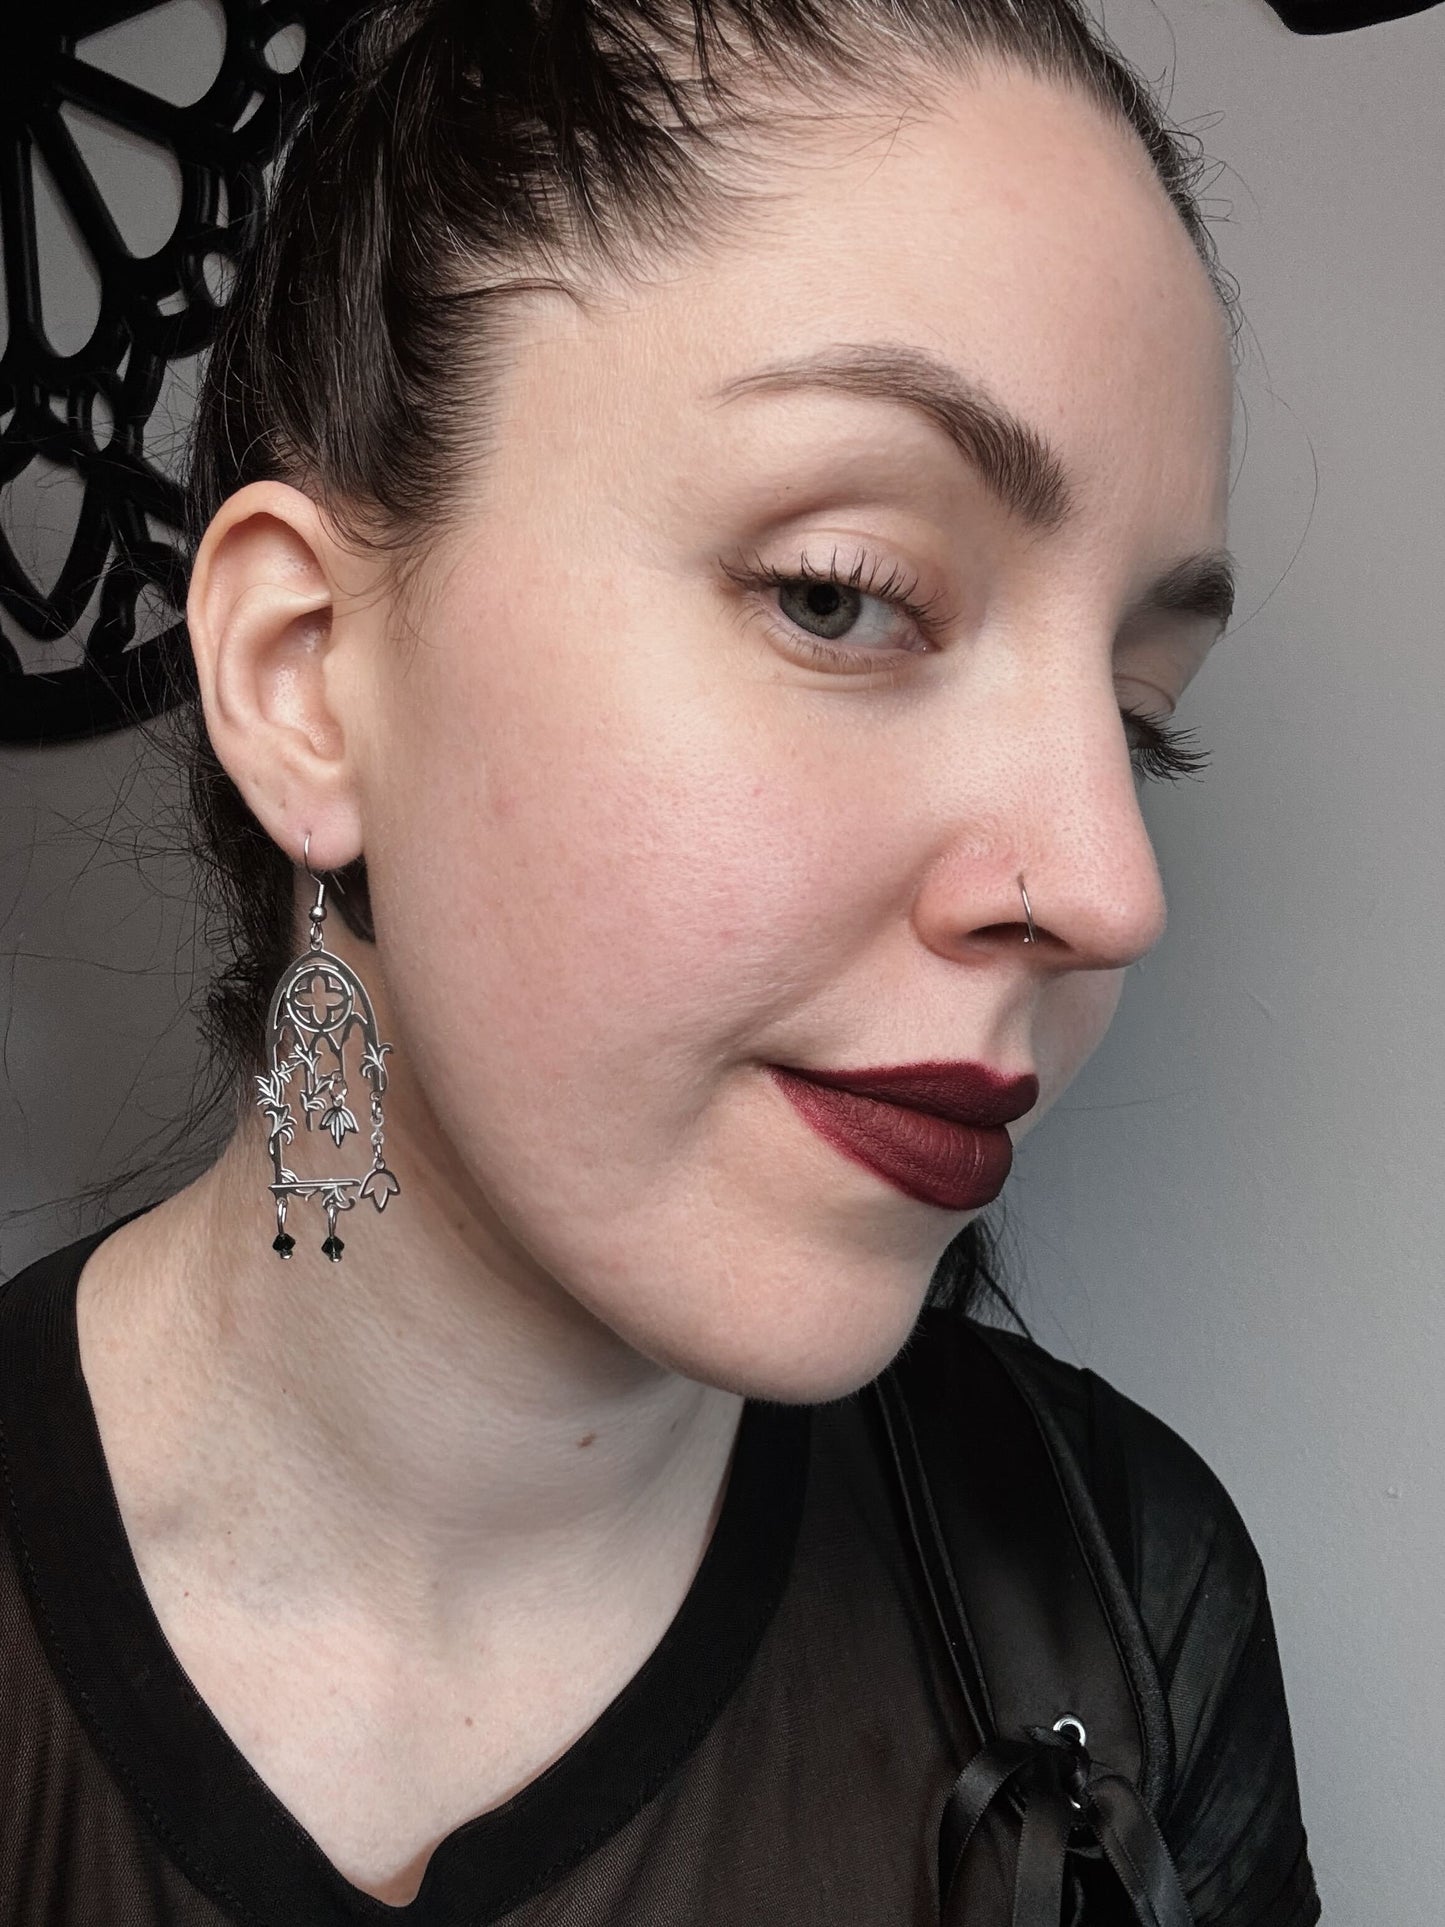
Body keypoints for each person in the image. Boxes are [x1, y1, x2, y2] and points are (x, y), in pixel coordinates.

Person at [0, 1, 1322, 1922]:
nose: (1108, 889)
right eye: (840, 595)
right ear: (305, 682)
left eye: (1138, 715)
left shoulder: (1121, 1603)